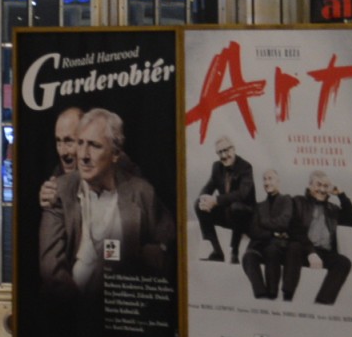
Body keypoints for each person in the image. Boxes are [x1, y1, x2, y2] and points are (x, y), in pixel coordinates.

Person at [35, 108, 174, 315]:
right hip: (69, 313)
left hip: (124, 313)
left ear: (116, 154)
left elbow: (169, 244)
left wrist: (144, 257)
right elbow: (51, 270)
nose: (82, 155)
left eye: (94, 145)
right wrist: (83, 314)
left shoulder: (140, 190)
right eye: (80, 143)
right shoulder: (58, 191)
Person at [286, 170, 352, 305]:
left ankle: (322, 303)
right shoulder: (297, 201)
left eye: (326, 186)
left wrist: (341, 195)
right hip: (303, 249)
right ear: (310, 186)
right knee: (294, 246)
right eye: (318, 185)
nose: (322, 189)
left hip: (324, 253)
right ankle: (288, 297)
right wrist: (311, 252)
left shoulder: (333, 209)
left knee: (344, 262)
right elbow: (294, 229)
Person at [194, 134, 256, 263]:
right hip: (227, 214)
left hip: (247, 217)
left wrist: (216, 200)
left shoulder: (246, 167)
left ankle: (234, 251)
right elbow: (208, 187)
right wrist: (204, 200)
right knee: (198, 204)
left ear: (233, 149)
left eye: (226, 150)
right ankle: (216, 251)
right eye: (220, 152)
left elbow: (242, 194)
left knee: (236, 207)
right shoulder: (217, 167)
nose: (223, 155)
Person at [241, 168, 298, 300]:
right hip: (258, 247)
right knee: (248, 257)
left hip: (277, 248)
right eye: (264, 179)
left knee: (271, 251)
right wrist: (274, 233)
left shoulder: (286, 200)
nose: (267, 182)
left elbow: (284, 222)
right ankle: (261, 295)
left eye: (270, 179)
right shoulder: (259, 206)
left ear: (278, 182)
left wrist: (263, 223)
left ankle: (272, 294)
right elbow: (253, 230)